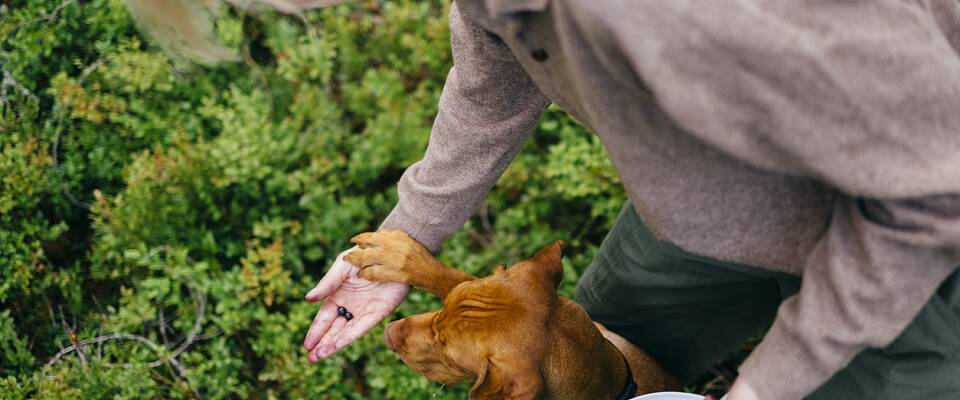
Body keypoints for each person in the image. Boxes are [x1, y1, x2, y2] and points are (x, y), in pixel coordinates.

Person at [133, 0, 960, 398]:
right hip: (714, 209)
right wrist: (407, 238)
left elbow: (938, 189)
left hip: (908, 251)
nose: (266, 16)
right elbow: (494, 77)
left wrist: (764, 388)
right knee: (588, 342)